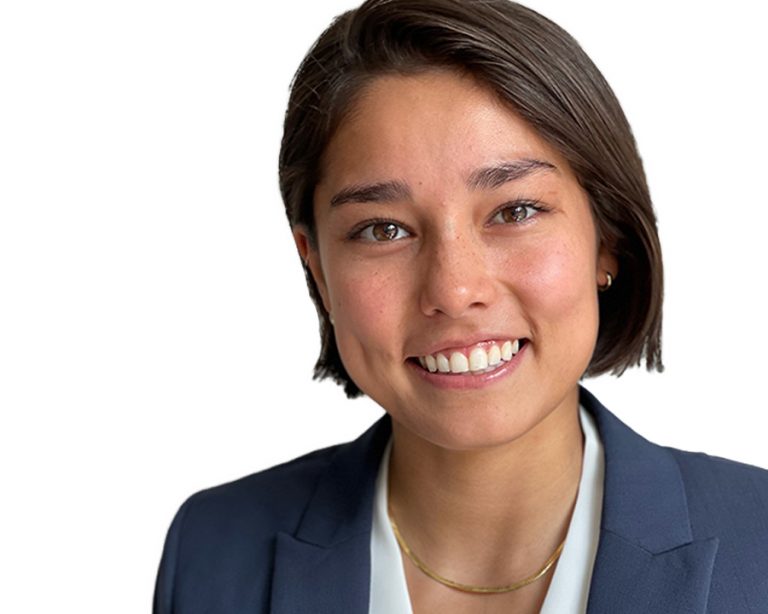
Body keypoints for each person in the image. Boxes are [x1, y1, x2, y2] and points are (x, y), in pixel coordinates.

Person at [153, 1, 768, 612]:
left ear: (606, 238)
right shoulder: (212, 552)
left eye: (514, 211)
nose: (453, 290)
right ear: (316, 266)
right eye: (383, 230)